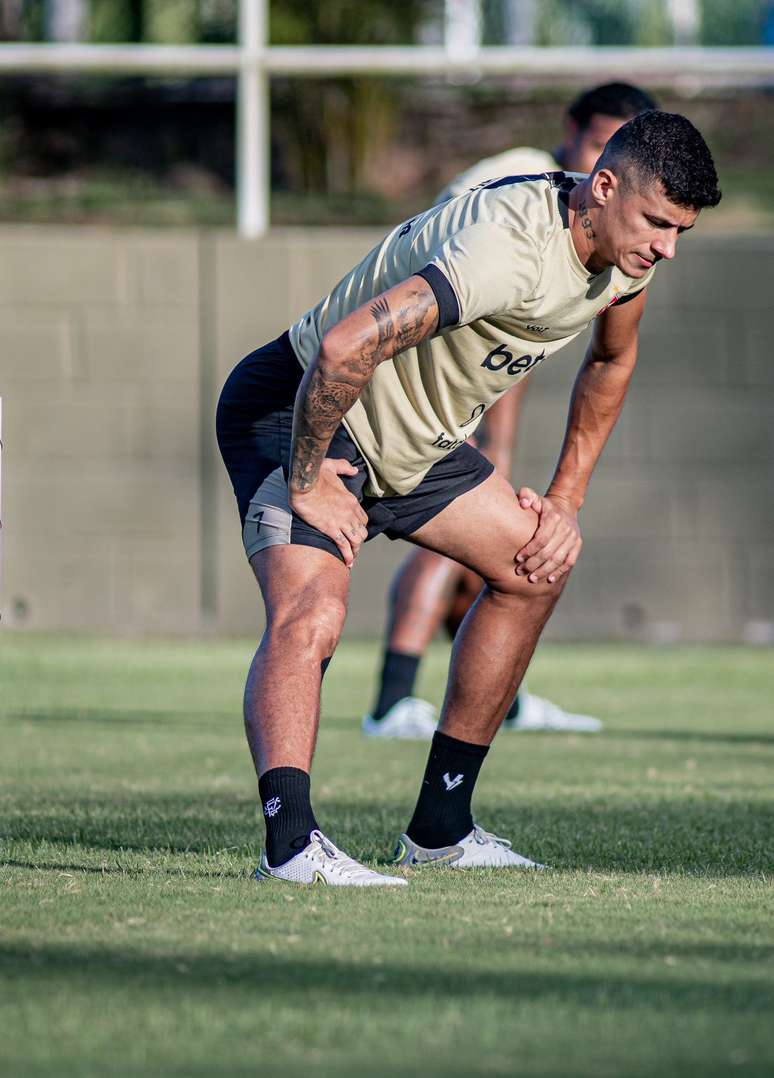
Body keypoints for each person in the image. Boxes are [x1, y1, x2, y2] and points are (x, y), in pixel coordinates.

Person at [216, 111, 720, 886]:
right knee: (313, 610)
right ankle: (289, 848)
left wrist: (565, 501)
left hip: (416, 443)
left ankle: (440, 831)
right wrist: (310, 478)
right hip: (302, 411)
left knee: (535, 565)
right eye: (657, 222)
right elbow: (345, 345)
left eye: (679, 231)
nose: (666, 247)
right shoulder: (505, 248)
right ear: (604, 186)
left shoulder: (628, 258)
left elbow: (611, 362)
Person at [364, 82, 658, 740]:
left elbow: (598, 353)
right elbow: (483, 302)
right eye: (601, 140)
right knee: (457, 546)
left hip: (464, 381)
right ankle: (392, 700)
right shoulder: (521, 182)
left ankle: (502, 698)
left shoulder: (610, 227)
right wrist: (498, 443)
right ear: (572, 130)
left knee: (515, 556)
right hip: (412, 389)